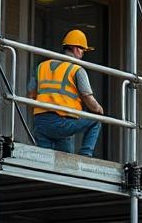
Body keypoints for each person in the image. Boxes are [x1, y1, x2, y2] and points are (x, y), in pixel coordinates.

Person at [29, 29, 105, 157]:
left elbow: (31, 95)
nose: (82, 54)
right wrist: (99, 109)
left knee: (46, 161)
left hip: (40, 124)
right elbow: (88, 99)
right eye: (82, 50)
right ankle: (86, 155)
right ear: (76, 49)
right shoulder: (76, 70)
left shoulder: (42, 66)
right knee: (96, 121)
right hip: (62, 123)